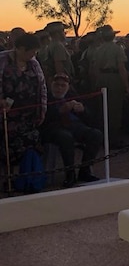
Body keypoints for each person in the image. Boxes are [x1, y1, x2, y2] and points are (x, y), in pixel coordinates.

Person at [41, 73, 101, 187]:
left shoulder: (72, 95)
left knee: (96, 134)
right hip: (53, 127)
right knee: (65, 137)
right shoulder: (45, 96)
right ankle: (70, 174)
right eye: (56, 85)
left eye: (63, 86)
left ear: (68, 87)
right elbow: (41, 118)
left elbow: (90, 118)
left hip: (74, 125)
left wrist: (83, 110)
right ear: (51, 84)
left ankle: (85, 170)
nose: (59, 88)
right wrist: (59, 111)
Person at [0, 33, 48, 164]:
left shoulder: (34, 63)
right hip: (7, 116)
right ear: (21, 48)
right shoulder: (3, 60)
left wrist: (42, 110)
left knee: (31, 145)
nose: (33, 55)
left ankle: (26, 177)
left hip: (29, 116)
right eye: (31, 51)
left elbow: (42, 86)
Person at [87, 25, 129, 148]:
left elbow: (94, 69)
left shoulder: (98, 50)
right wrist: (127, 86)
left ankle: (104, 138)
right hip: (114, 78)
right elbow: (121, 68)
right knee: (115, 110)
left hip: (101, 79)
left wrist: (97, 82)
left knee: (103, 110)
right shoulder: (117, 49)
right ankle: (113, 140)